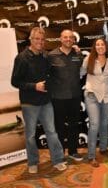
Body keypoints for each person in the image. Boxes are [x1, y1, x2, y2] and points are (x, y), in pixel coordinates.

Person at [11, 27, 67, 174]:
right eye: (37, 39)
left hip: (46, 101)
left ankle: (58, 159)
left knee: (52, 132)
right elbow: (15, 82)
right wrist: (34, 86)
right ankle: (33, 162)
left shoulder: (45, 56)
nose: (40, 42)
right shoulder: (21, 58)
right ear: (31, 39)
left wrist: (73, 49)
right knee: (30, 136)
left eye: (42, 40)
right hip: (29, 103)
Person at [48, 29, 84, 162]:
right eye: (65, 37)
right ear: (60, 39)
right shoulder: (51, 55)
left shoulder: (78, 55)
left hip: (74, 97)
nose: (68, 39)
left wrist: (79, 52)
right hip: (58, 97)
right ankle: (60, 153)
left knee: (74, 125)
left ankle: (73, 151)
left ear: (74, 40)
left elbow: (84, 69)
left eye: (71, 37)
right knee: (59, 127)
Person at [80, 38, 108, 167]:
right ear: (94, 47)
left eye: (102, 44)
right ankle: (91, 156)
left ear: (106, 46)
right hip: (92, 95)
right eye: (97, 44)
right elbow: (81, 73)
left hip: (106, 96)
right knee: (94, 125)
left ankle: (103, 148)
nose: (100, 47)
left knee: (104, 123)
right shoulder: (88, 59)